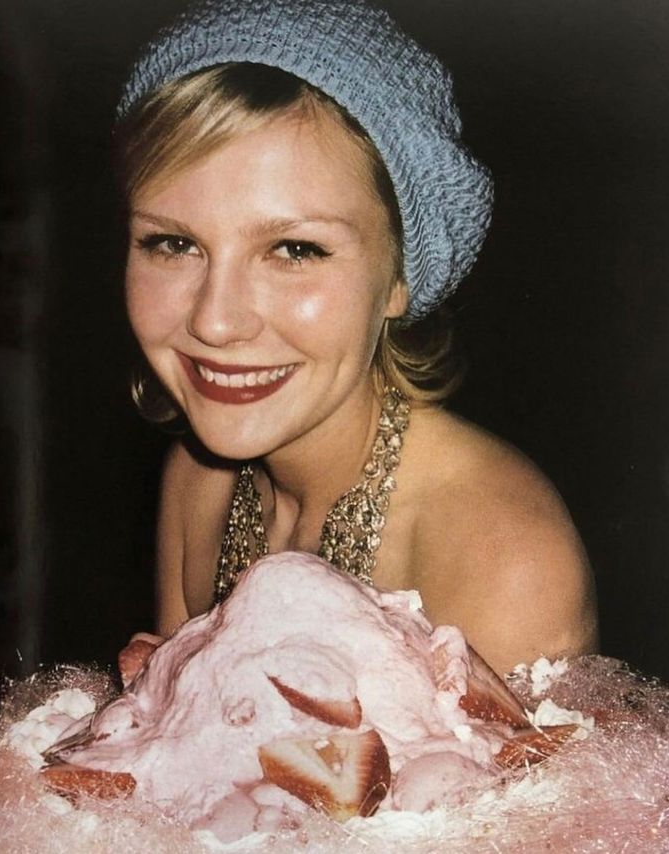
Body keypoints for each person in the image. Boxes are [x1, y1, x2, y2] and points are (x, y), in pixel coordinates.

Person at [117, 0, 598, 678]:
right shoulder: (199, 483)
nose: (214, 322)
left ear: (399, 276)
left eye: (293, 249)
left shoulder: (502, 552)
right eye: (172, 243)